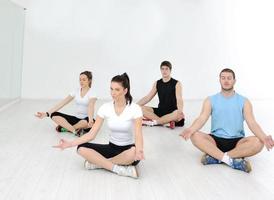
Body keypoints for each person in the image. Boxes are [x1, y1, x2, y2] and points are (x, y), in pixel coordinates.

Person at [180, 68, 274, 173]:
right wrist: (190, 129)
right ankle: (231, 160)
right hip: (215, 140)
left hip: (238, 141)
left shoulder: (244, 101)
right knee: (194, 135)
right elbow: (202, 118)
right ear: (219, 80)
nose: (226, 81)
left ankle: (216, 157)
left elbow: (252, 122)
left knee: (258, 142)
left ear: (234, 81)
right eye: (223, 78)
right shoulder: (210, 100)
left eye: (229, 78)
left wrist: (264, 137)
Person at [53, 73, 144, 178]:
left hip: (127, 150)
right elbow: (91, 134)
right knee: (81, 148)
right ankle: (118, 169)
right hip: (111, 147)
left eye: (117, 90)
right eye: (111, 89)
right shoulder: (105, 107)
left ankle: (98, 164)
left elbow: (138, 135)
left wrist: (140, 151)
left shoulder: (135, 108)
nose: (113, 93)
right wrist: (70, 144)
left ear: (125, 91)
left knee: (133, 152)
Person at [35, 71, 97, 136]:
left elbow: (91, 106)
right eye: (80, 79)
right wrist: (47, 114)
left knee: (87, 123)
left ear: (89, 80)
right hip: (76, 119)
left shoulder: (92, 93)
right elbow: (63, 103)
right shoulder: (76, 91)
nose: (81, 82)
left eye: (84, 80)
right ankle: (75, 131)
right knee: (53, 114)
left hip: (86, 119)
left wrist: (90, 120)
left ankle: (66, 128)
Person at [137, 61, 185, 129]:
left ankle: (156, 122)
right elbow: (148, 97)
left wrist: (180, 111)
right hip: (161, 111)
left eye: (166, 69)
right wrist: (134, 106)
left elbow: (179, 99)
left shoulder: (177, 83)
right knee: (139, 109)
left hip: (172, 112)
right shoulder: (157, 83)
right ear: (160, 70)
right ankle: (166, 123)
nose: (164, 71)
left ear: (170, 70)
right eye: (162, 69)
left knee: (177, 113)